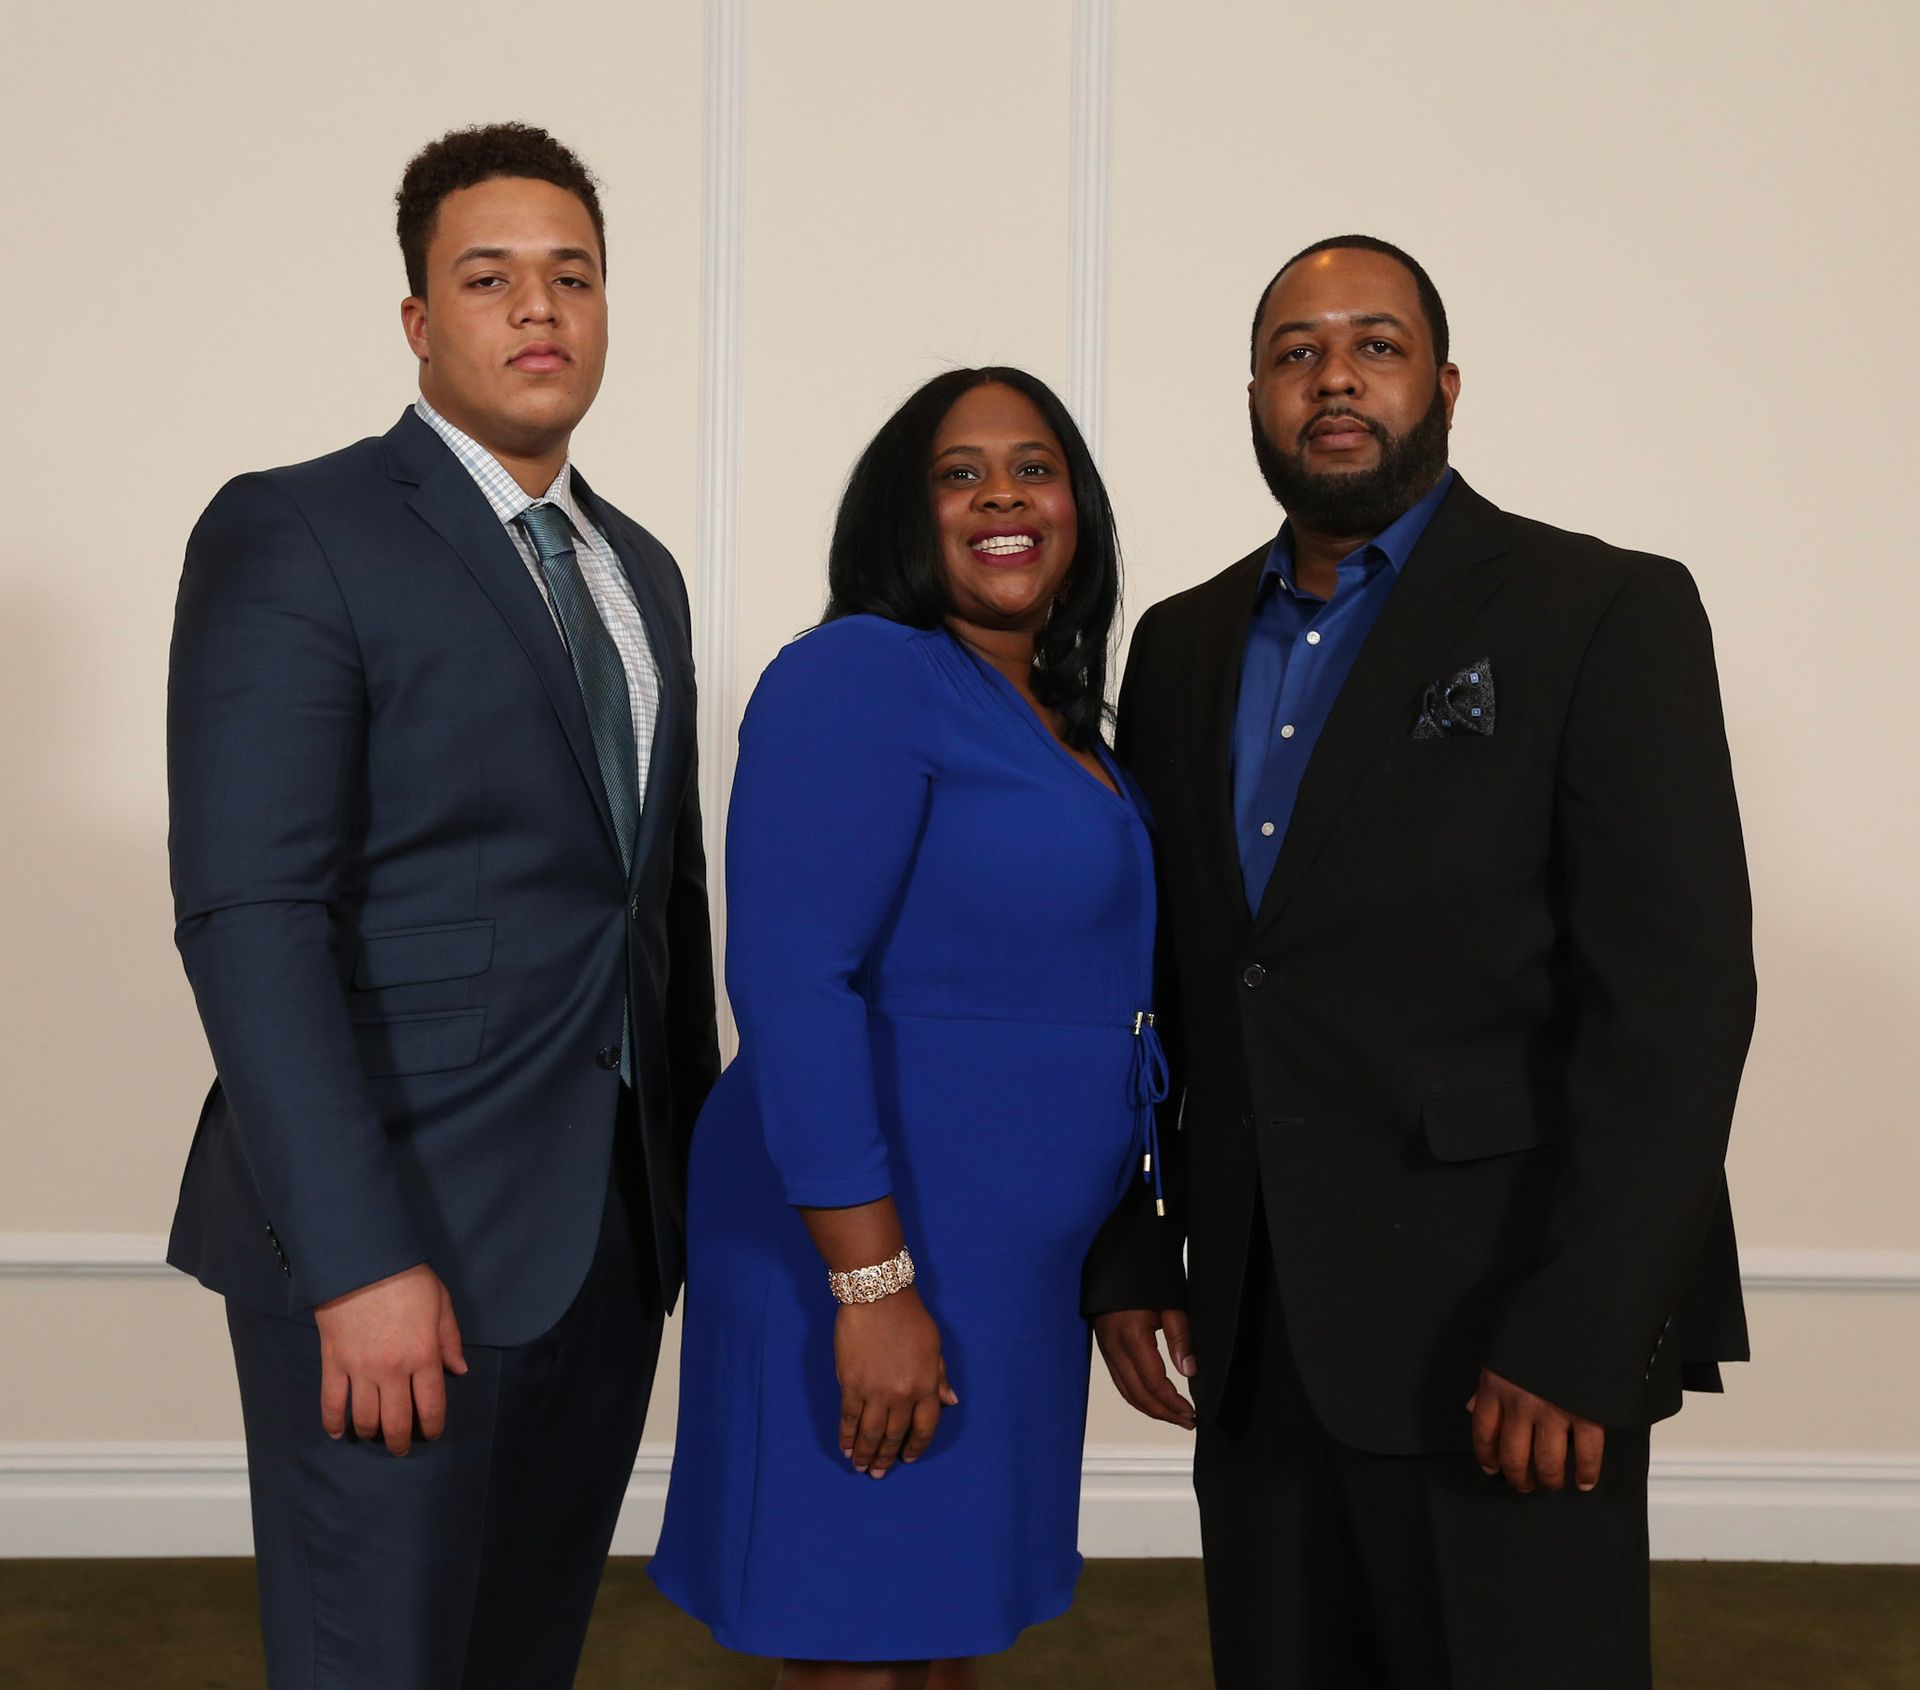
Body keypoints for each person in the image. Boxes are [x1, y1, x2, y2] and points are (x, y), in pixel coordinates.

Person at [1089, 236, 1756, 1689]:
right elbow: (1161, 987)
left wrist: (1586, 1326)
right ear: (1255, 396)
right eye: (1296, 351)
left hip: (1505, 1344)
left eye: (1374, 345)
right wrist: (1133, 1243)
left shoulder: (1602, 612)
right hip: (1257, 1345)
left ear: (1444, 384)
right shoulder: (1182, 643)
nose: (1335, 377)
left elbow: (1679, 1001)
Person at [165, 122, 718, 1687]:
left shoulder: (643, 575)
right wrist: (354, 1258)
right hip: (393, 1243)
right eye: (490, 278)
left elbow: (654, 919)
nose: (538, 309)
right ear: (418, 320)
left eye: (572, 277)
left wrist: (698, 1214)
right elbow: (251, 913)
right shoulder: (299, 530)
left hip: (603, 1252)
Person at [650, 368, 1163, 1690]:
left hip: (1005, 1268)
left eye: (1033, 466)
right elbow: (790, 978)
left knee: (937, 1629)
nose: (1001, 493)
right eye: (958, 472)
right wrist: (871, 1286)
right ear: (903, 513)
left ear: (1078, 508)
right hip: (869, 1240)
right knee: (853, 1641)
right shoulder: (861, 675)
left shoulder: (1053, 718)